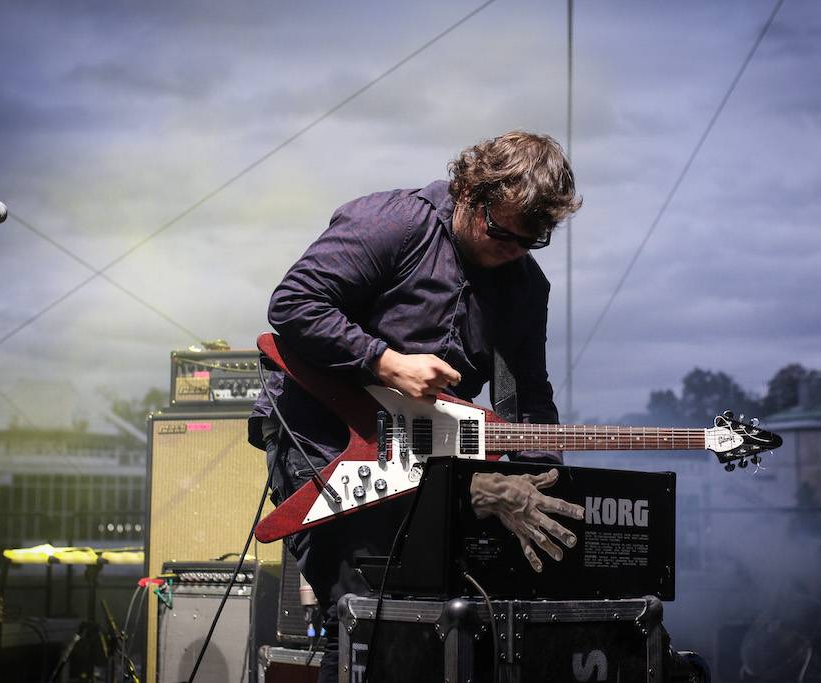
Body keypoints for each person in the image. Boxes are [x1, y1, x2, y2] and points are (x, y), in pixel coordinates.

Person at [248, 130, 584, 682]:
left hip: (423, 452)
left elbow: (530, 398)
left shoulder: (526, 286)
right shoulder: (394, 222)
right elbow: (292, 304)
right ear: (469, 193)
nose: (516, 250)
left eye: (534, 241)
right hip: (325, 435)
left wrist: (544, 478)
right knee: (361, 605)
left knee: (435, 605)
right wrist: (384, 361)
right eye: (504, 232)